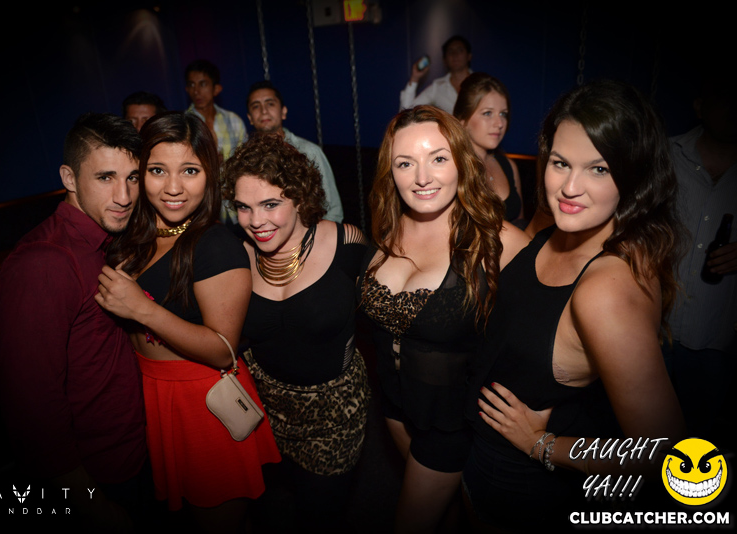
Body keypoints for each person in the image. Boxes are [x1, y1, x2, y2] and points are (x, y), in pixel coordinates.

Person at [465, 80, 686, 530]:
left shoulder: (606, 289)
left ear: (634, 175)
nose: (569, 187)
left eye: (598, 169)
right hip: (478, 459)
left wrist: (543, 445)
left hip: (524, 492)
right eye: (561, 163)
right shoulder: (558, 221)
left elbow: (665, 454)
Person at [97, 112, 280, 532]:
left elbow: (223, 349)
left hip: (201, 401)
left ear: (210, 174)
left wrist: (141, 308)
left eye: (190, 171)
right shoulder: (135, 237)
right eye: (158, 170)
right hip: (150, 391)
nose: (174, 187)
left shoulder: (215, 244)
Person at [359, 105, 529, 533]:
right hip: (394, 408)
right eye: (405, 163)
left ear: (461, 161)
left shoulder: (499, 242)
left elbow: (545, 331)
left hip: (452, 423)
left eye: (438, 158)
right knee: (448, 512)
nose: (422, 177)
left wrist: (540, 411)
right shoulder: (387, 226)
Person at [0, 112, 148, 530]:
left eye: (132, 178)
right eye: (105, 177)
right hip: (96, 477)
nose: (124, 196)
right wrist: (93, 507)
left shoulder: (103, 240)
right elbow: (32, 410)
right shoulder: (44, 263)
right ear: (69, 178)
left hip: (131, 455)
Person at [221, 133, 370, 533]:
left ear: (300, 198)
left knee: (320, 516)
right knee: (267, 513)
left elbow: (383, 313)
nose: (256, 221)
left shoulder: (346, 243)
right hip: (261, 413)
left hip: (334, 417)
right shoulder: (236, 253)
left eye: (271, 204)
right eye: (244, 207)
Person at [664, 73, 737, 439]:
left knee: (696, 443)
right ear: (700, 106)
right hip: (653, 327)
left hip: (718, 338)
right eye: (725, 95)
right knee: (638, 439)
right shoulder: (666, 155)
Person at [245, 80, 344, 223]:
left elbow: (333, 209)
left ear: (283, 112)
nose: (264, 111)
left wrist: (320, 236)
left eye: (270, 104)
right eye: (256, 106)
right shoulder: (245, 159)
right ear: (250, 118)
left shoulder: (309, 152)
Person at [453, 72, 524, 225]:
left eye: (503, 114)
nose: (499, 123)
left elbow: (521, 225)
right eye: (487, 113)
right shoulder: (452, 168)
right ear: (463, 120)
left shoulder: (509, 166)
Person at [184, 59, 247, 163]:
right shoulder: (183, 123)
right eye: (192, 85)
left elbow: (245, 160)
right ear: (187, 89)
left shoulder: (234, 121)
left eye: (203, 84)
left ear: (216, 89)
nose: (196, 91)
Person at [400, 35, 472, 113]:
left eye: (460, 50)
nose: (455, 55)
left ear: (469, 56)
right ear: (444, 60)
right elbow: (407, 110)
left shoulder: (479, 83)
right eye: (450, 51)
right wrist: (414, 78)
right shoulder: (437, 86)